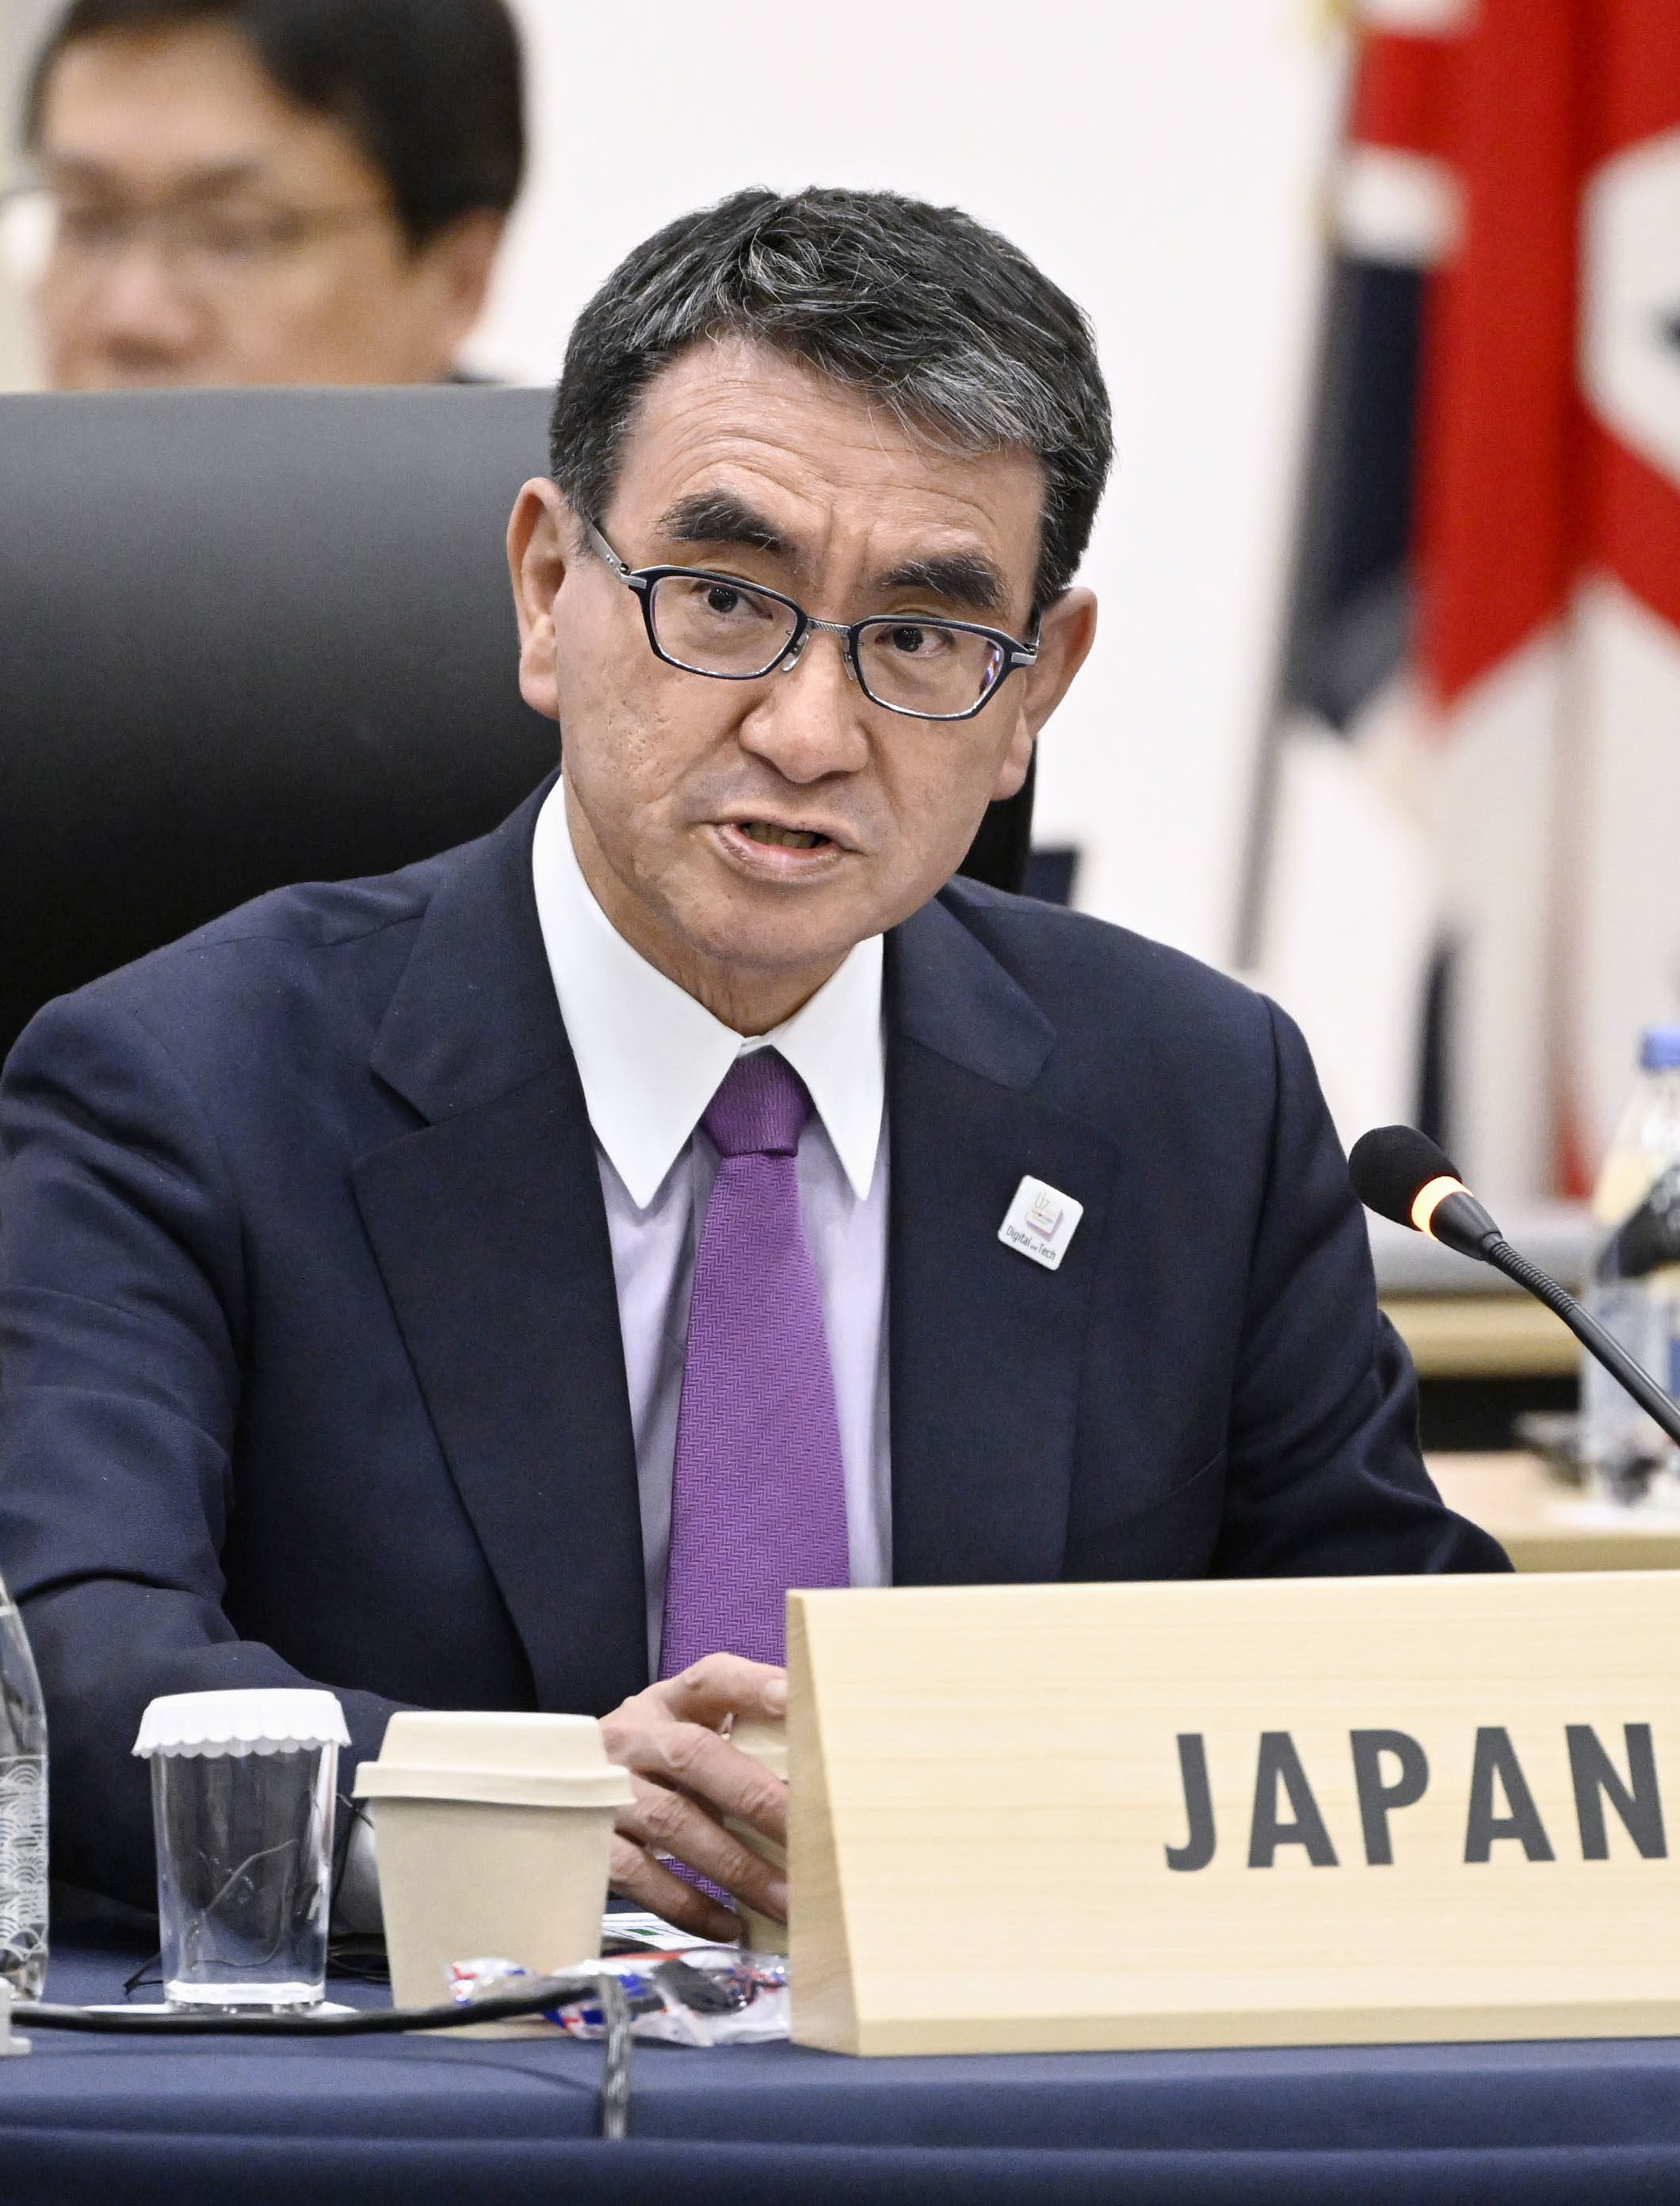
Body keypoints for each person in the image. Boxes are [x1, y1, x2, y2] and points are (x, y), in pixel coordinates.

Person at [0, 186, 1507, 1941]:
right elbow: (69, 1657)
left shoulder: (1193, 1098)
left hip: (1019, 2109)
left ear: (1036, 691)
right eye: (724, 598)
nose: (806, 731)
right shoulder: (178, 1086)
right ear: (551, 589)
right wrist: (533, 1819)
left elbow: (1407, 1682)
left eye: (925, 640)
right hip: (456, 2107)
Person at [10, 0, 521, 387]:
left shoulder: (572, 525)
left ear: (459, 281)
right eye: (86, 221)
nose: (131, 318)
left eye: (234, 234)